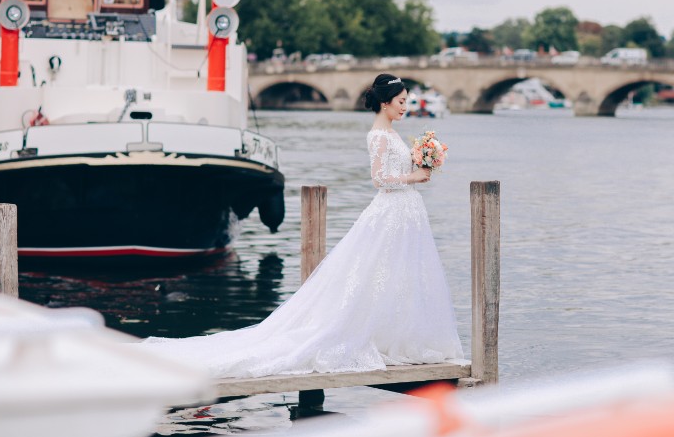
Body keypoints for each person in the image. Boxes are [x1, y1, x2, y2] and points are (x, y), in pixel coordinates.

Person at [140, 73, 463, 378]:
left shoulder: (392, 134)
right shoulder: (378, 136)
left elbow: (398, 171)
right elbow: (379, 179)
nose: (405, 107)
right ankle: (366, 334)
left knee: (401, 273)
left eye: (406, 102)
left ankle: (400, 336)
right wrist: (413, 176)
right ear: (384, 103)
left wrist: (424, 161)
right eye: (401, 101)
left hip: (406, 210)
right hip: (392, 209)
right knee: (375, 272)